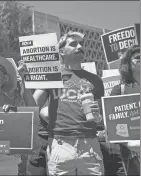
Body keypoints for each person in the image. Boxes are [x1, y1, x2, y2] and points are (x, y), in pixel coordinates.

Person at [32, 31, 105, 175]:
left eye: (81, 44)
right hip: (60, 144)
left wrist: (97, 115)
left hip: (90, 144)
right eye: (73, 44)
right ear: (61, 51)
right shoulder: (52, 76)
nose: (79, 46)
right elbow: (32, 105)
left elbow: (100, 120)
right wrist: (25, 82)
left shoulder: (96, 80)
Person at [110, 44, 140, 176]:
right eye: (138, 57)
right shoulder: (119, 90)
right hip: (131, 153)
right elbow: (112, 124)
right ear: (127, 63)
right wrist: (129, 143)